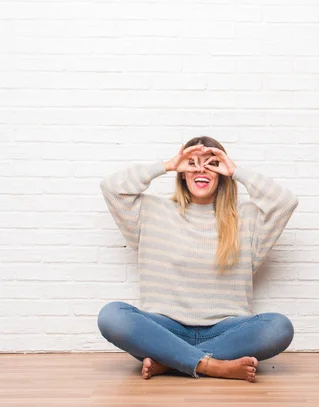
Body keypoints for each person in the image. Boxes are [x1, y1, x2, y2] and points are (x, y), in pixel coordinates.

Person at [96, 136, 299, 382]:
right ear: (182, 173)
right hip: (163, 330)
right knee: (112, 315)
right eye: (192, 163)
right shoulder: (151, 212)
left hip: (226, 330)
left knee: (279, 327)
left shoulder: (246, 218)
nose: (201, 169)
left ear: (222, 174)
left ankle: (172, 362)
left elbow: (285, 202)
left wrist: (236, 171)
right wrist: (167, 165)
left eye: (212, 164)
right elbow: (111, 187)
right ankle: (213, 366)